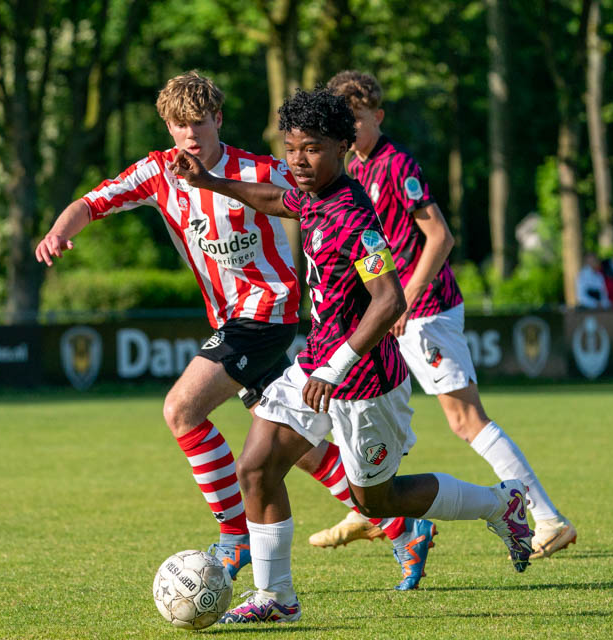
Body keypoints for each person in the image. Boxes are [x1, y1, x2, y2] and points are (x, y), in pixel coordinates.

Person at [34, 70, 426, 588]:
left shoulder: (262, 170)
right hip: (231, 319)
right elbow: (93, 202)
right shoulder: (157, 173)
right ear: (168, 129)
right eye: (179, 125)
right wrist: (61, 230)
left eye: (198, 122)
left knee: (182, 408)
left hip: (268, 312)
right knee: (300, 451)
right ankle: (403, 527)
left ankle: (233, 537)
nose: (190, 135)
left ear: (217, 119)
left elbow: (329, 191)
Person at [170, 87, 534, 624]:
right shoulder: (310, 192)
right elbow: (276, 200)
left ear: (343, 146)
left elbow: (389, 299)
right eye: (291, 147)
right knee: (257, 468)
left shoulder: (351, 216)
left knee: (376, 501)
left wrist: (337, 368)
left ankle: (501, 504)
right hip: (317, 366)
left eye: (312, 148)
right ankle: (277, 599)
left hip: (367, 383)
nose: (297, 160)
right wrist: (209, 182)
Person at [297, 70, 575, 561]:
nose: (352, 130)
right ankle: (368, 507)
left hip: (423, 310)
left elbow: (440, 236)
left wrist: (404, 298)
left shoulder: (395, 163)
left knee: (466, 419)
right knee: (373, 415)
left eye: (358, 120)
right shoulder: (349, 170)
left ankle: (548, 518)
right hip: (391, 314)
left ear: (376, 118)